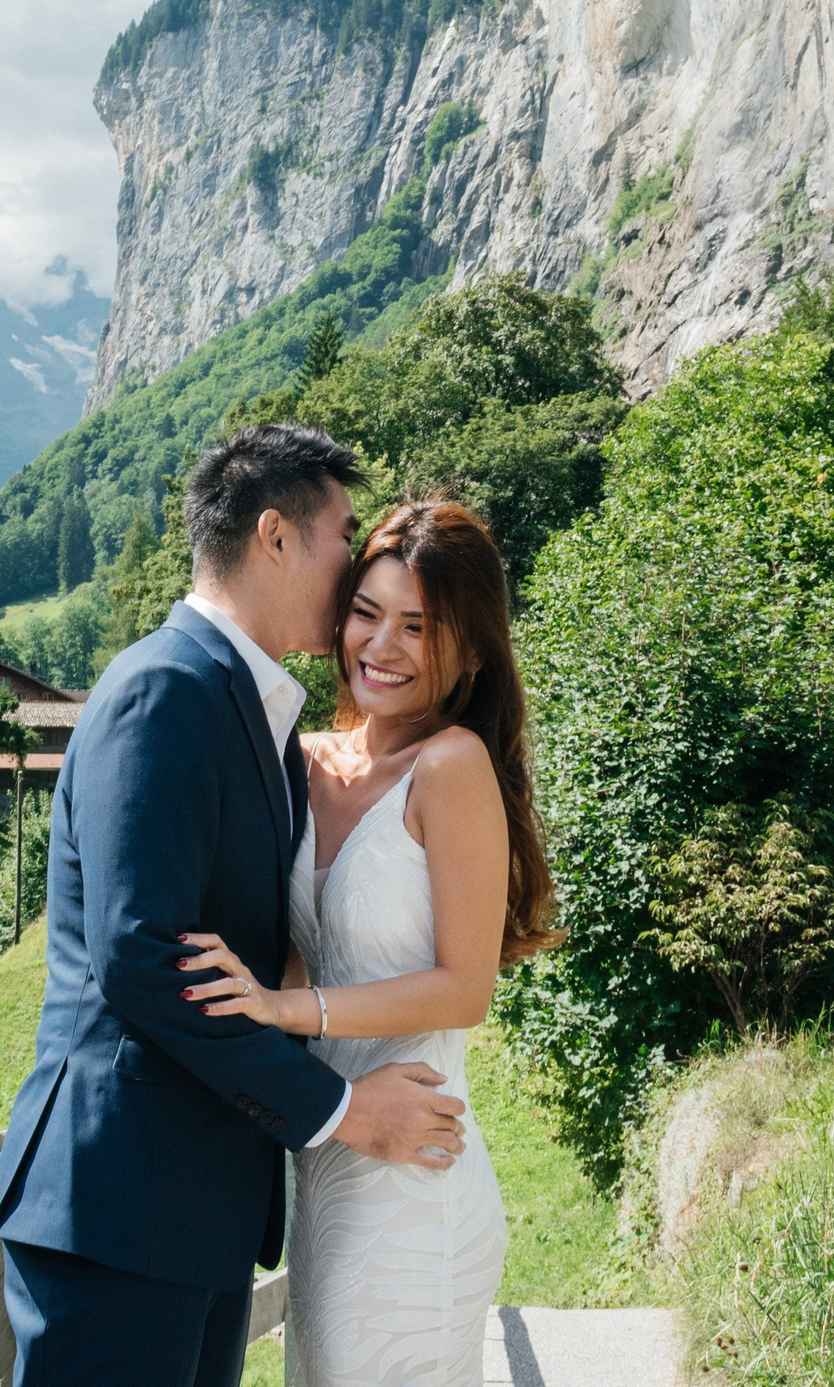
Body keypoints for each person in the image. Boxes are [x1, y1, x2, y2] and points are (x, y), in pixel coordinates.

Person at [0, 427, 474, 1387]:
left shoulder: (248, 708)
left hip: (189, 1218)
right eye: (341, 534)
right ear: (275, 536)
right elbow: (142, 955)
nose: (353, 559)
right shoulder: (164, 689)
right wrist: (340, 1111)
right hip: (118, 1214)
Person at [181, 499, 561, 1385]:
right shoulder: (303, 760)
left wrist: (283, 1008)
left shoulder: (453, 765)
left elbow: (465, 987)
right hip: (328, 1167)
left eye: (418, 626)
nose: (382, 645)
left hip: (416, 1176)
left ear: (467, 649)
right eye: (367, 611)